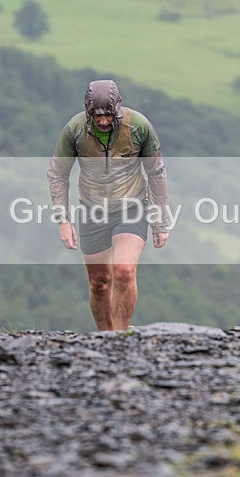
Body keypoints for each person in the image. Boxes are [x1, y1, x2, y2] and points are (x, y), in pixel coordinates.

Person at [47, 79, 170, 331]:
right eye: (96, 115)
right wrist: (63, 220)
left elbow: (156, 173)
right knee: (100, 282)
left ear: (117, 108)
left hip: (132, 206)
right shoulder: (75, 130)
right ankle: (105, 338)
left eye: (107, 115)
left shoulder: (138, 126)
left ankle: (119, 337)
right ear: (87, 112)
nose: (102, 121)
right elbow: (58, 173)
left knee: (124, 271)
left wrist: (160, 221)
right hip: (92, 210)